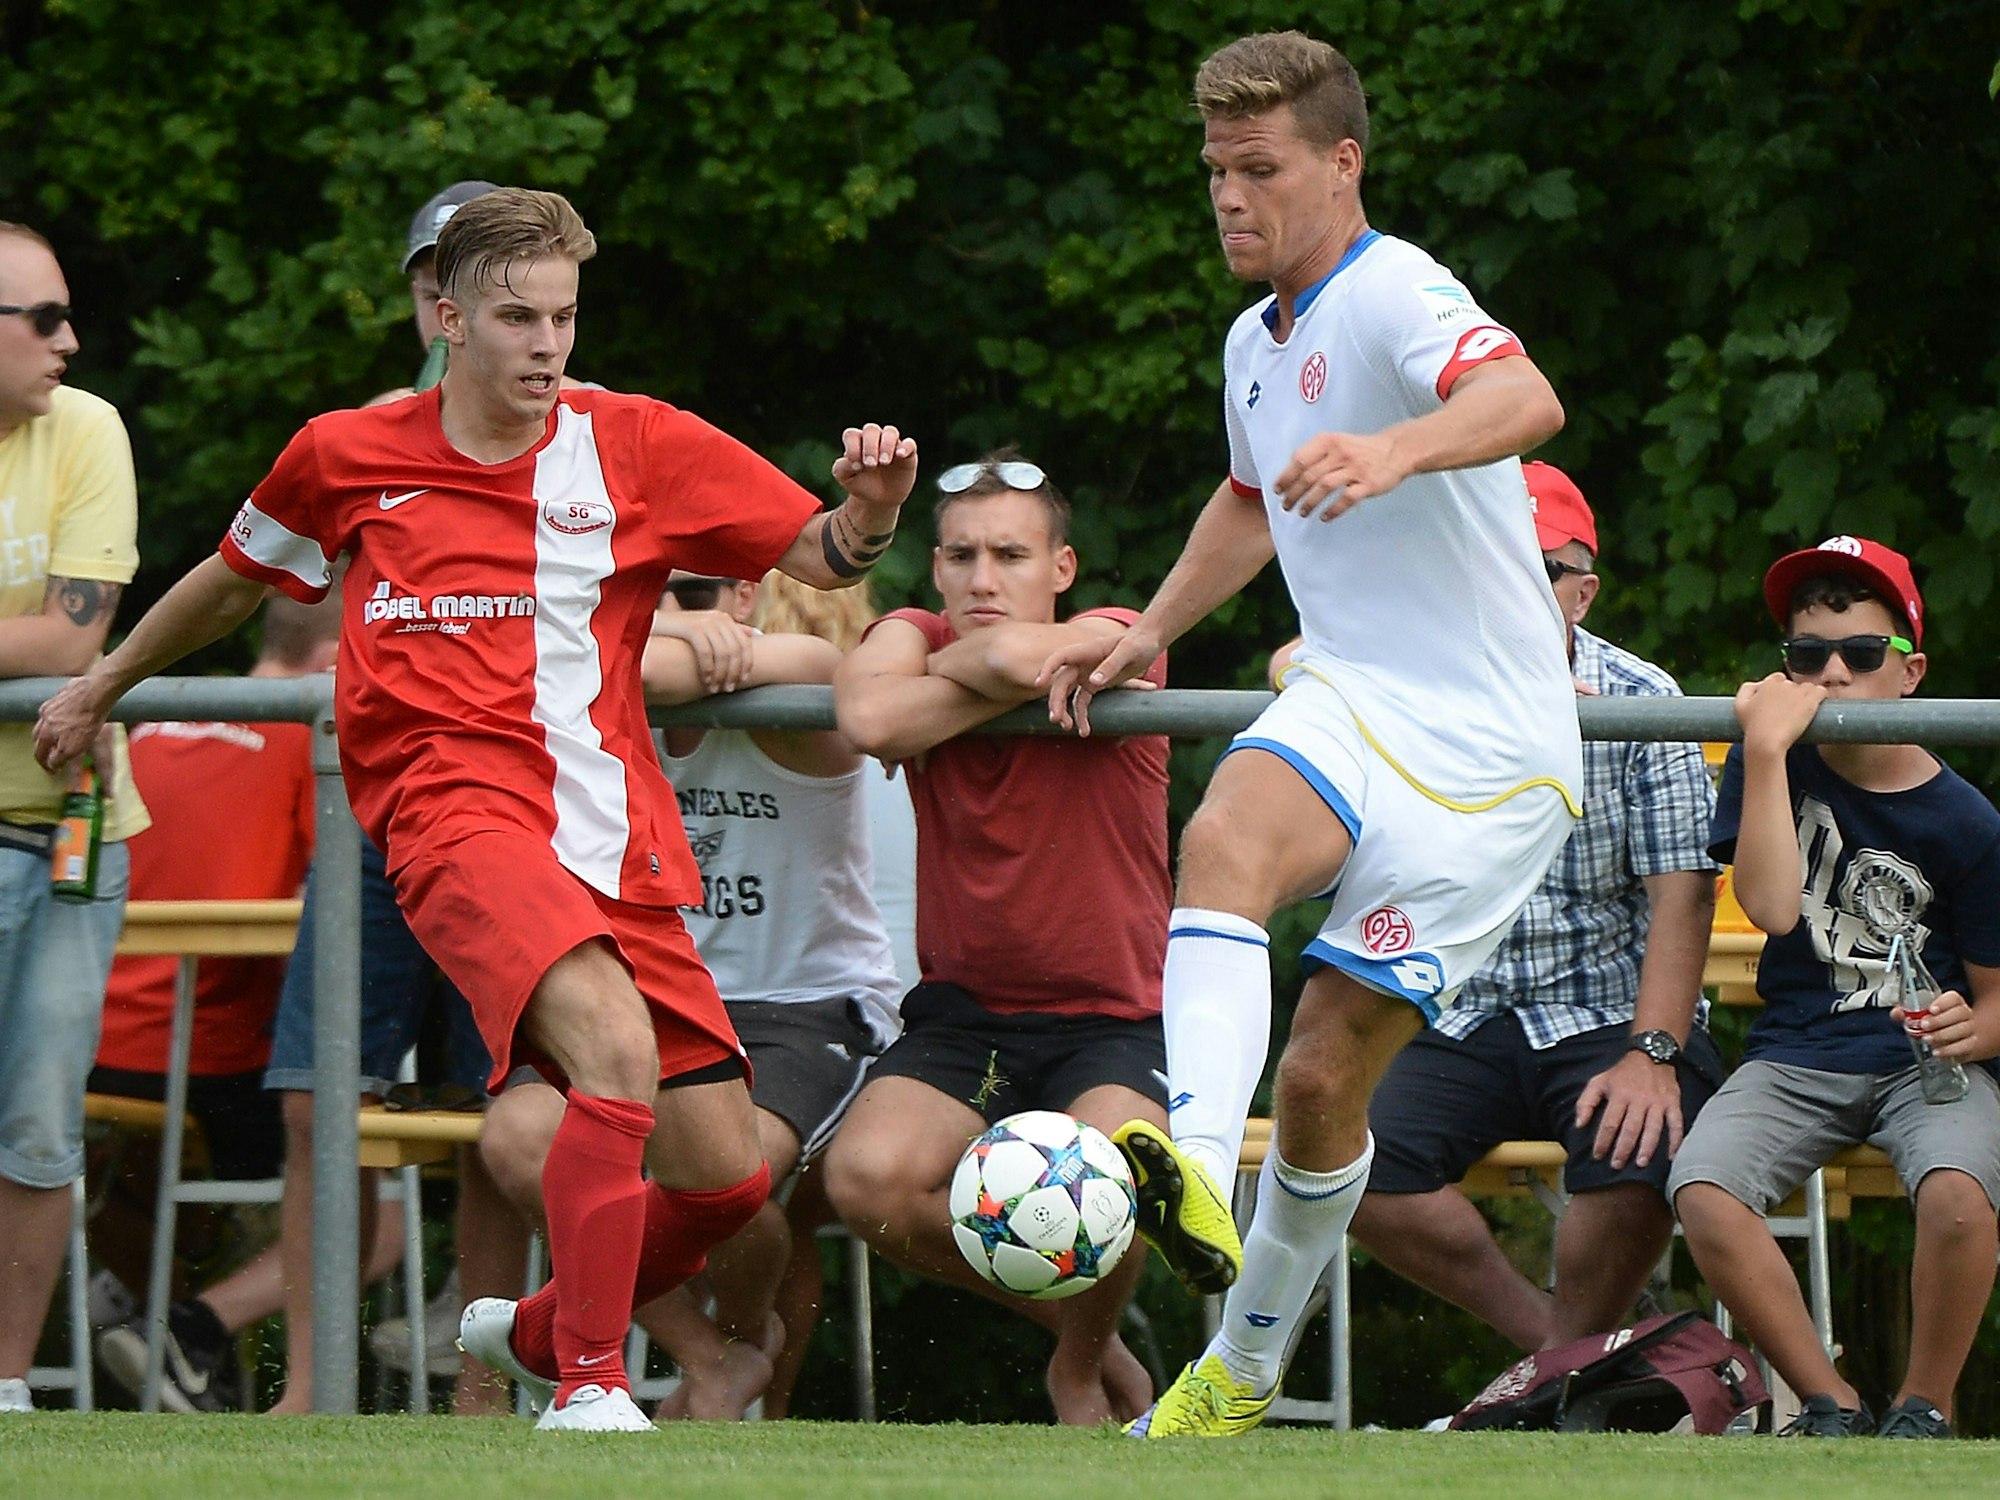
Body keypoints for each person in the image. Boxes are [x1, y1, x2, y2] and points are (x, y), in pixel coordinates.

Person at [33, 187, 919, 1432]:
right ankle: (594, 1390)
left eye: (562, 315)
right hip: (450, 821)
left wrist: (871, 512)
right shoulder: (344, 452)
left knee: (723, 1185)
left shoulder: (638, 442)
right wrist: (104, 684)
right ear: (447, 317)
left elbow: (819, 555)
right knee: (605, 1056)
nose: (547, 344)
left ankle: (545, 1334)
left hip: (616, 839)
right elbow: (231, 586)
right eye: (516, 317)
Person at [1036, 33, 1581, 1437]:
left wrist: (1397, 447)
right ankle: (1194, 1165)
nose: (1230, 197)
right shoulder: (1251, 341)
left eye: (1259, 169)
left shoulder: (1395, 286)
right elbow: (1246, 500)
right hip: (1352, 691)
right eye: (1216, 171)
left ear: (1341, 165)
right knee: (1220, 837)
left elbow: (1527, 400)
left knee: (1327, 1076)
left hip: (1494, 762)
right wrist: (1149, 629)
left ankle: (1247, 1370)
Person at [477, 567, 902, 1420]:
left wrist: (666, 644)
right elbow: (569, 665)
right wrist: (676, 641)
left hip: (805, 1001)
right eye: (642, 592)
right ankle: (713, 1356)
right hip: (655, 992)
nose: (670, 612)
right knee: (518, 1139)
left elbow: (827, 661)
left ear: (746, 600)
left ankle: (742, 1340)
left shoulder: (790, 709)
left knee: (728, 1179)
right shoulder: (597, 705)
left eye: (696, 595)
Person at [1343, 461, 1724, 1354]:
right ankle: (1561, 1362)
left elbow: (1687, 896)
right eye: (1486, 563)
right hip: (1459, 1007)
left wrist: (1653, 1051)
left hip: (1611, 1009)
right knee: (1346, 1163)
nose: (1505, 587)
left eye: (1535, 570)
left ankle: (1561, 1366)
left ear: (1581, 594)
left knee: (1642, 1143)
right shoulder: (1413, 692)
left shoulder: (1643, 703)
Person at [827, 453, 1171, 1427]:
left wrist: (934, 689)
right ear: (933, 567)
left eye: (1009, 555)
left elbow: (1019, 665)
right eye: (962, 556)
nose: (982, 578)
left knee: (1106, 1171)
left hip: (1115, 1018)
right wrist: (949, 677)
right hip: (965, 1022)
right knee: (866, 1179)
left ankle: (1080, 1369)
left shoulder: (1120, 633)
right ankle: (1075, 1336)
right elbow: (866, 716)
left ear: (1060, 567)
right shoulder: (909, 628)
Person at [257, 179, 527, 1417]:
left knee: (503, 1111)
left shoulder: (583, 439)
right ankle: (312, 1392)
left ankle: (480, 1391)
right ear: (430, 300)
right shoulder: (360, 440)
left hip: (520, 816)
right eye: (435, 273)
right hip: (373, 814)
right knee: (320, 1105)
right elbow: (285, 602)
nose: (444, 295)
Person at [1670, 537, 2000, 1440]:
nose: (1834, 675)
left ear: (1911, 672)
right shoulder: (1771, 757)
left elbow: (1996, 997)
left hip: (1922, 1063)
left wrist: (1980, 1029)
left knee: (1961, 1196)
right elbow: (1774, 908)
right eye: (1807, 656)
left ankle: (1923, 1410)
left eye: (1861, 654)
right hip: (1798, 1056)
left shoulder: (1968, 819)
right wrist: (1768, 751)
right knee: (1703, 1186)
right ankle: (1830, 1401)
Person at [86, 591, 360, 1412]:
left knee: (140, 1177)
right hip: (202, 1054)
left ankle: (144, 1319)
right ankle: (192, 1326)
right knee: (368, 1192)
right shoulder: (304, 740)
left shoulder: (162, 722)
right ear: (338, 663)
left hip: (95, 1050)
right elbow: (347, 908)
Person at [0, 222, 150, 1415]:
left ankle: (2, 1391)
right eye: (41, 320)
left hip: (67, 835)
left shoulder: (86, 425)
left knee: (41, 1126)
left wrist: (53, 655)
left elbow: (69, 641)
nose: (70, 341)